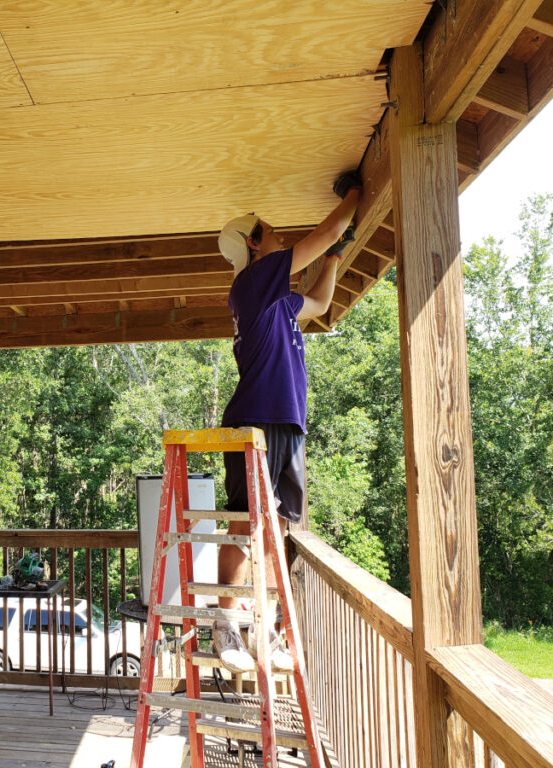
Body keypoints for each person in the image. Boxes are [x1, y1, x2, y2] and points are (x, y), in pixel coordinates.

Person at [212, 172, 362, 673]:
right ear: (254, 246)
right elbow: (315, 238)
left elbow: (318, 303)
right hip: (255, 421)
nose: (279, 239)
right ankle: (226, 624)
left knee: (278, 528)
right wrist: (351, 201)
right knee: (242, 520)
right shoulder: (252, 284)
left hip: (286, 424)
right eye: (272, 234)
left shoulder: (275, 301)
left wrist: (337, 256)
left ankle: (267, 629)